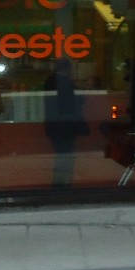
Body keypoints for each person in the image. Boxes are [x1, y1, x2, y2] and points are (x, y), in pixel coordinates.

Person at [43, 58, 87, 188]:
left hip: (54, 124)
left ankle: (59, 184)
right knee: (66, 155)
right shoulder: (65, 81)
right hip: (65, 124)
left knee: (61, 154)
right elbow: (76, 101)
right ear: (68, 69)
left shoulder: (50, 80)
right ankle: (62, 185)